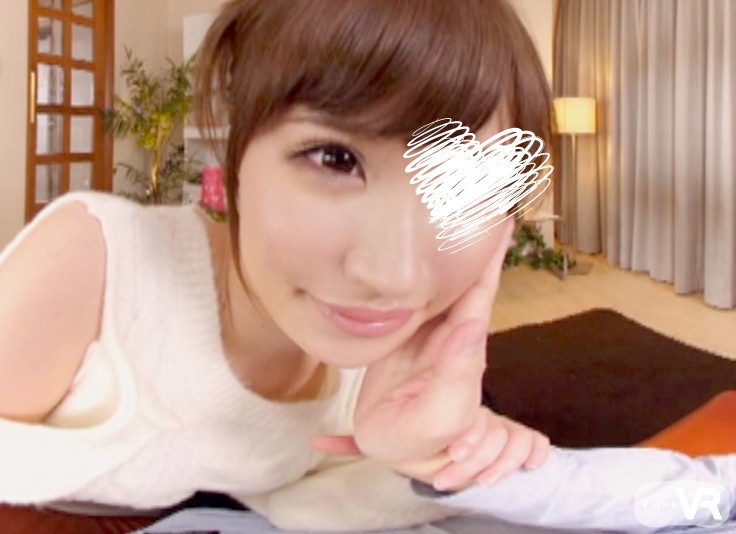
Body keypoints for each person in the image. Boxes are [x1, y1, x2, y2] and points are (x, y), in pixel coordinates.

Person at [0, 0, 733, 533]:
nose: (396, 276)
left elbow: (306, 493)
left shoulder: (392, 355)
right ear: (236, 147)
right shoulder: (96, 264)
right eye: (334, 158)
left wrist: (431, 459)